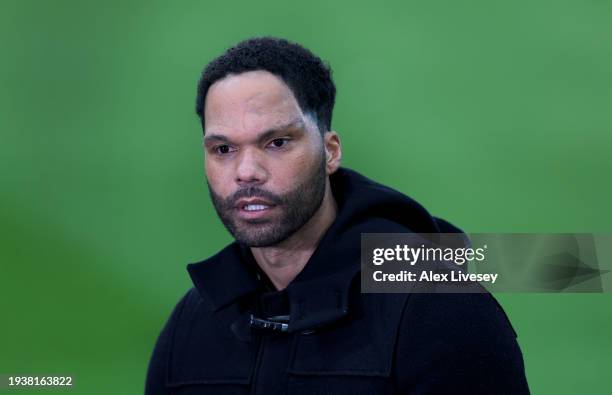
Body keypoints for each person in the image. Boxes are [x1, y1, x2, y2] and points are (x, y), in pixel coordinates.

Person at [145, 37, 530, 394]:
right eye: (224, 149)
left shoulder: (439, 305)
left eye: (277, 142)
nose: (246, 171)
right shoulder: (191, 322)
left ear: (330, 152)